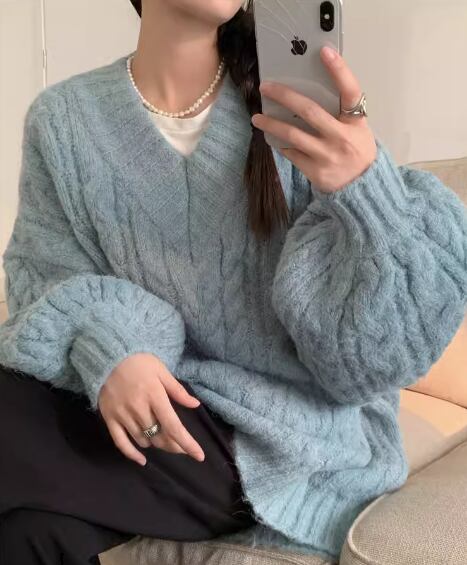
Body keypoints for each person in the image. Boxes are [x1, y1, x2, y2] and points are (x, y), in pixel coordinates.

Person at [1, 0, 466, 564]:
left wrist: (368, 193)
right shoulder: (64, 122)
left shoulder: (293, 109)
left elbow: (373, 365)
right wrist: (115, 347)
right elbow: (44, 280)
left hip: (283, 436)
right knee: (31, 532)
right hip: (150, 413)